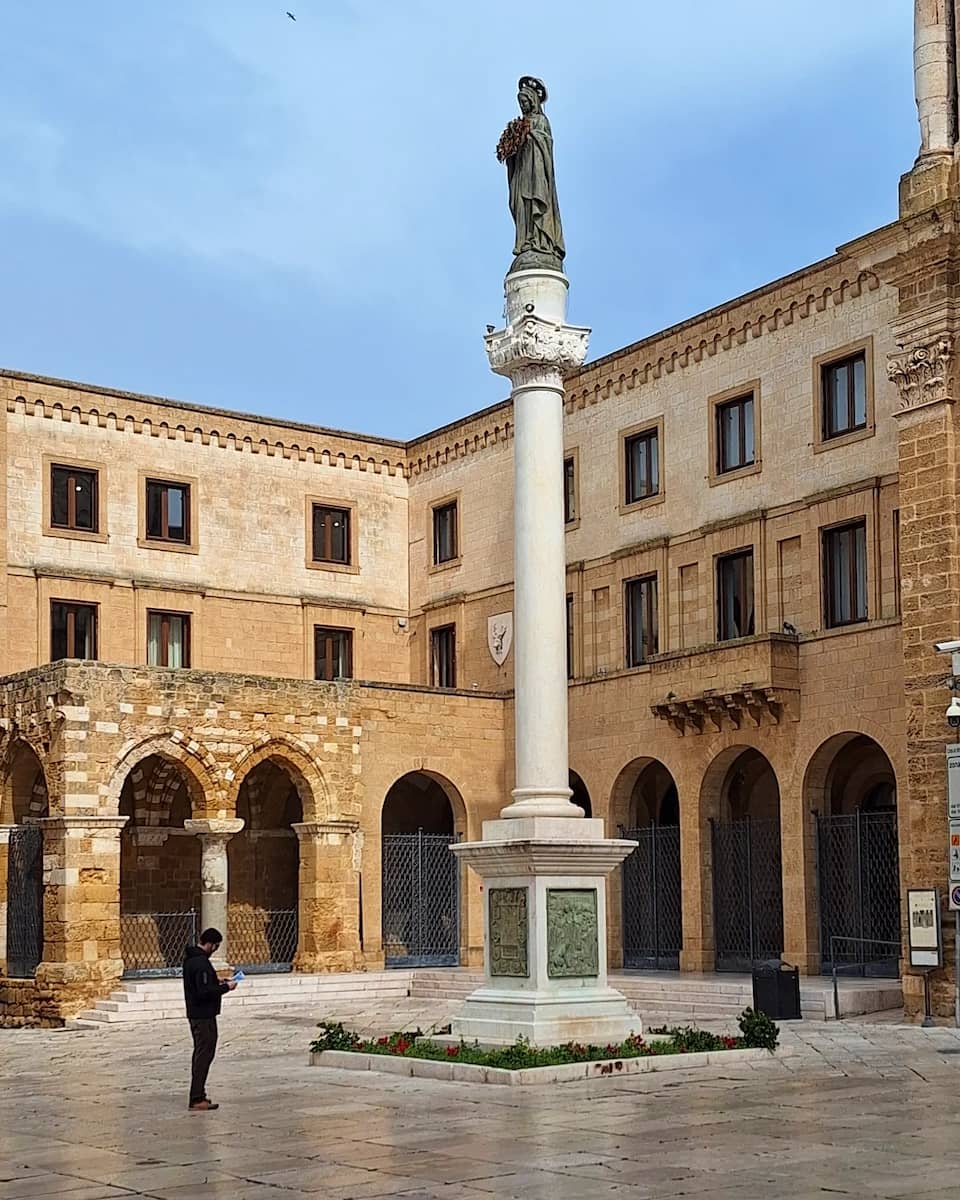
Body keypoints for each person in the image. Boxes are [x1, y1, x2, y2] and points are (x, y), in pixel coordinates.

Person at [182, 927, 237, 1111]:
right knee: (204, 1055)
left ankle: (198, 1094)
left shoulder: (191, 960)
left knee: (202, 1054)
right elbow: (203, 992)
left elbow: (203, 985)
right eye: (215, 946)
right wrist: (226, 988)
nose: (215, 950)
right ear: (211, 944)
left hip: (198, 1014)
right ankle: (197, 1097)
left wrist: (218, 983)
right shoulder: (200, 963)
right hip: (203, 1015)